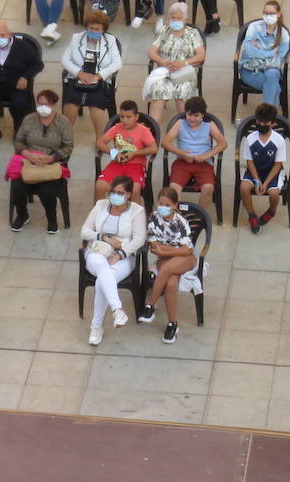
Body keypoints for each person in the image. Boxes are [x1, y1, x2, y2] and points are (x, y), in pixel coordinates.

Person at [9, 88, 72, 233]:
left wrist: (51, 158)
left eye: (47, 104)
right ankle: (22, 215)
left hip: (51, 162)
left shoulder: (63, 122)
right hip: (29, 161)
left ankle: (51, 219)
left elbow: (68, 146)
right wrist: (28, 154)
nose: (43, 107)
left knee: (47, 191)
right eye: (40, 104)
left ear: (54, 105)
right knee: (18, 187)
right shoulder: (29, 119)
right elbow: (18, 141)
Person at [137, 185, 191, 344]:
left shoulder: (180, 222)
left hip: (185, 259)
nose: (163, 207)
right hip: (168, 258)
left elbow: (187, 250)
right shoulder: (153, 217)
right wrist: (172, 250)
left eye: (167, 205)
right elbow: (153, 245)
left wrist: (164, 251)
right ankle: (172, 324)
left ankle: (150, 306)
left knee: (166, 268)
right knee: (171, 283)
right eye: (161, 203)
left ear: (174, 205)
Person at [0, 22, 42, 146]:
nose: (0, 38)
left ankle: (19, 132)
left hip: (16, 85)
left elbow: (37, 64)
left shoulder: (23, 47)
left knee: (20, 103)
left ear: (10, 35)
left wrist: (25, 77)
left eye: (3, 35)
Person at [62, 13, 122, 137]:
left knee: (96, 106)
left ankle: (100, 139)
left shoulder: (110, 41)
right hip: (78, 78)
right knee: (71, 105)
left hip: (100, 80)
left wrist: (98, 76)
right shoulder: (76, 38)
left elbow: (117, 63)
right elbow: (65, 60)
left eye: (97, 29)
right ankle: (65, 137)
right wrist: (79, 73)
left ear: (103, 30)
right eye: (91, 28)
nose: (93, 31)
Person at [144, 2, 205, 121]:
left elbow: (201, 55)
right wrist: (163, 62)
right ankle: (153, 131)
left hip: (184, 72)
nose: (176, 21)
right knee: (158, 91)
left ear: (185, 19)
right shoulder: (163, 31)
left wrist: (183, 63)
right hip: (165, 70)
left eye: (179, 18)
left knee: (182, 93)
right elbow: (151, 51)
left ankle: (185, 128)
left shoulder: (193, 33)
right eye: (173, 18)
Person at [164, 95, 225, 211]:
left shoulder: (209, 125)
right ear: (185, 113)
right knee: (174, 187)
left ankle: (200, 214)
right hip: (182, 162)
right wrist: (181, 153)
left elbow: (223, 143)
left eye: (196, 115)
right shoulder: (180, 123)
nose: (192, 119)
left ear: (202, 115)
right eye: (189, 115)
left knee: (208, 188)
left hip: (203, 164)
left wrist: (206, 155)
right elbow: (165, 142)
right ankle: (180, 216)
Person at [93, 99, 155, 204]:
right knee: (99, 186)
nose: (124, 120)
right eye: (122, 117)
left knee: (134, 190)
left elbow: (153, 148)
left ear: (136, 117)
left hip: (137, 166)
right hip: (117, 163)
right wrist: (113, 153)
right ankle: (100, 215)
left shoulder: (143, 131)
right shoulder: (117, 128)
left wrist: (135, 153)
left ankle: (136, 217)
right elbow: (100, 143)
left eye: (128, 117)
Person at [239, 102, 286, 232]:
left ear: (272, 123)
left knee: (274, 194)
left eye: (265, 123)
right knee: (243, 188)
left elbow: (278, 165)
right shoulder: (250, 139)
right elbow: (249, 161)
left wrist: (265, 183)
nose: (262, 125)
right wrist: (256, 180)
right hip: (254, 171)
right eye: (259, 122)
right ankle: (252, 215)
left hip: (272, 172)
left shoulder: (279, 140)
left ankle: (271, 211)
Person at [237, 1, 290, 107]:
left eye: (271, 13)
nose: (268, 16)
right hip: (250, 69)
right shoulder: (253, 27)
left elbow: (279, 59)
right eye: (265, 13)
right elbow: (249, 51)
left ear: (278, 14)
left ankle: (266, 116)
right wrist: (270, 53)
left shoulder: (283, 34)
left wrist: (258, 50)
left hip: (272, 69)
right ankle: (270, 117)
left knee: (272, 74)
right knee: (274, 87)